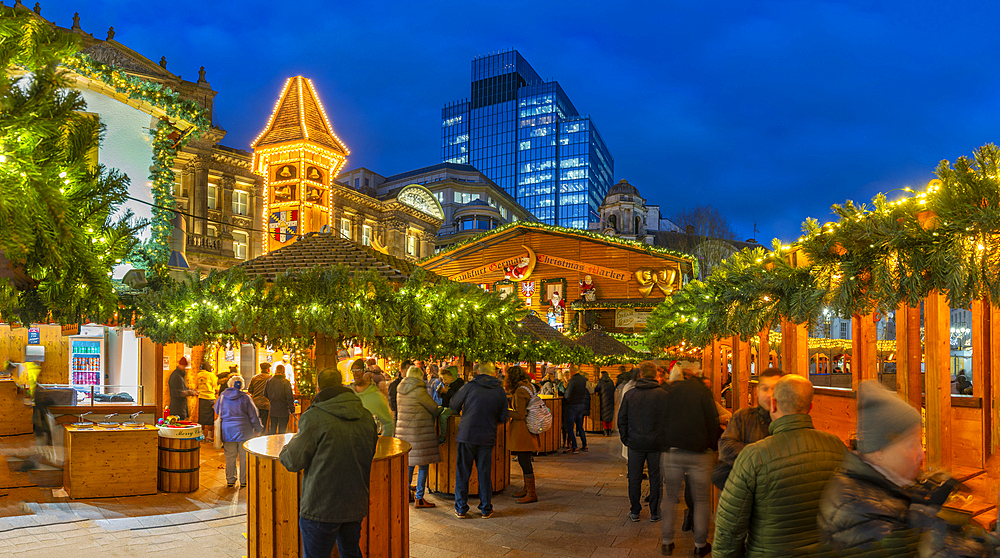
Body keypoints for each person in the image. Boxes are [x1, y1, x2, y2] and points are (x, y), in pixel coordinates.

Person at [819, 380, 997, 557]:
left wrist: (925, 504)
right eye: (913, 444)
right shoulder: (857, 507)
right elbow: (925, 546)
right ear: (880, 449)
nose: (921, 455)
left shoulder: (876, 488)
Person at [713, 374, 846, 558]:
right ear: (810, 407)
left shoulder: (753, 455)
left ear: (773, 405)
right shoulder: (837, 446)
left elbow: (730, 526)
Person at [279, 367, 378, 558]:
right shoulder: (365, 416)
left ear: (318, 387)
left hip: (321, 506)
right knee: (351, 553)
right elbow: (370, 451)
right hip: (355, 502)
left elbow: (292, 461)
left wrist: (288, 445)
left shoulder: (314, 417)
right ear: (341, 385)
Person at [659, 363, 721, 557]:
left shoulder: (671, 391)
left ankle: (667, 542)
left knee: (670, 498)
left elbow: (662, 420)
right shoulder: (703, 391)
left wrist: (665, 445)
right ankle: (700, 545)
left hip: (673, 451)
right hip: (699, 453)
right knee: (702, 499)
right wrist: (713, 446)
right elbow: (712, 420)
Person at [450, 361, 509, 519]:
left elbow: (453, 404)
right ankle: (485, 508)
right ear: (492, 373)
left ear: (478, 372)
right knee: (484, 473)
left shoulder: (470, 386)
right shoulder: (499, 390)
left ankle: (461, 508)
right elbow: (504, 417)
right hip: (487, 435)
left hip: (467, 434)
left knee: (463, 472)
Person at [712, 367, 782, 490]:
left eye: (776, 389)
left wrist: (747, 452)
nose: (770, 394)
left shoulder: (788, 420)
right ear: (757, 392)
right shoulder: (743, 417)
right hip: (742, 493)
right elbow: (725, 448)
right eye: (765, 389)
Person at [618, 360, 669, 523]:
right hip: (656, 444)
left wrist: (626, 439)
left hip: (635, 443)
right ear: (655, 375)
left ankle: (635, 511)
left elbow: (622, 420)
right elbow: (669, 421)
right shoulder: (663, 396)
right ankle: (655, 511)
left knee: (634, 478)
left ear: (640, 374)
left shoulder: (630, 395)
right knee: (655, 478)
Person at [396, 365, 441, 509]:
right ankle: (419, 498)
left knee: (409, 465)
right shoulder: (419, 391)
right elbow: (433, 407)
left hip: (404, 433)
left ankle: (405, 494)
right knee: (423, 465)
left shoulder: (400, 390)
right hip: (419, 432)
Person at [214, 376, 263, 488]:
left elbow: (217, 410)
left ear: (230, 385)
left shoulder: (222, 397)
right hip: (245, 431)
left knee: (230, 456)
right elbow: (253, 415)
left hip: (228, 431)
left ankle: (231, 480)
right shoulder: (245, 398)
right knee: (244, 456)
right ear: (241, 385)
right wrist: (258, 429)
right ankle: (244, 480)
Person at [505, 365, 540, 504]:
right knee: (524, 459)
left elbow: (520, 414)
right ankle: (527, 489)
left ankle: (532, 493)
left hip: (522, 430)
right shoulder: (529, 386)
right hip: (529, 429)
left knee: (524, 460)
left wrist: (505, 410)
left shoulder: (520, 391)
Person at [350, 359, 395, 437]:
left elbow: (389, 424)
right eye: (353, 371)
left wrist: (382, 442)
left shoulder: (376, 397)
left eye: (359, 370)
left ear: (365, 373)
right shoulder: (348, 394)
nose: (356, 374)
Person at [562, 364, 590, 454]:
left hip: (572, 405)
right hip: (580, 404)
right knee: (580, 426)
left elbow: (567, 394)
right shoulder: (583, 379)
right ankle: (584, 444)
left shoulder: (573, 380)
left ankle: (574, 447)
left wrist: (565, 397)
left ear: (571, 371)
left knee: (569, 426)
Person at [263, 364, 294, 435]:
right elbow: (289, 397)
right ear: (283, 371)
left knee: (272, 430)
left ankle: (271, 445)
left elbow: (265, 393)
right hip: (284, 410)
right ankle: (280, 445)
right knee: (282, 432)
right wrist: (292, 409)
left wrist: (271, 399)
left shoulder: (269, 381)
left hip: (273, 409)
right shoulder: (286, 382)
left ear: (276, 371)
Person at [195, 362, 218, 442]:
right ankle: (208, 436)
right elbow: (215, 386)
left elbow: (196, 385)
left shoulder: (198, 375)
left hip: (201, 398)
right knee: (210, 418)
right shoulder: (211, 375)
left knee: (201, 417)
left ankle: (201, 435)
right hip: (210, 398)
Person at [248, 362, 272, 431]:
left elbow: (250, 390)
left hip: (255, 403)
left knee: (255, 422)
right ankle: (262, 436)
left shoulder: (254, 378)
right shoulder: (270, 378)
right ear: (268, 369)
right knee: (263, 423)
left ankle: (255, 436)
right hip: (265, 404)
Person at [595, 370, 616, 436]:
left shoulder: (600, 382)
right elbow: (614, 388)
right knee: (609, 414)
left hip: (603, 399)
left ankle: (606, 431)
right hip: (611, 399)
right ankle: (609, 430)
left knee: (604, 414)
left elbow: (596, 389)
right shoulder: (611, 381)